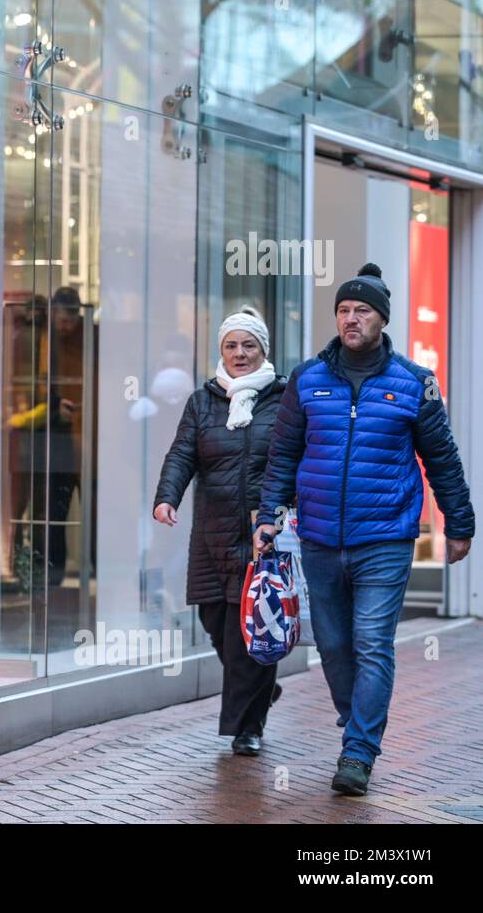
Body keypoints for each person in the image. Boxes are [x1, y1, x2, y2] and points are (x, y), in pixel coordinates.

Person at [254, 262, 474, 796]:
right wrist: (267, 517)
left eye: (362, 311)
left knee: (372, 642)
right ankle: (357, 722)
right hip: (319, 536)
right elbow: (283, 455)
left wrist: (459, 522)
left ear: (382, 319)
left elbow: (441, 459)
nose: (351, 319)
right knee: (332, 645)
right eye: (344, 310)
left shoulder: (414, 383)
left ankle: (358, 751)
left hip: (386, 537)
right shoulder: (308, 379)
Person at [153, 306, 287, 755]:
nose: (240, 353)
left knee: (251, 629)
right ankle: (260, 689)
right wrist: (167, 497)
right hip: (212, 531)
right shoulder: (203, 400)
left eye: (249, 345)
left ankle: (247, 727)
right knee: (214, 618)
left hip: (261, 533)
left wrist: (286, 510)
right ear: (221, 351)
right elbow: (181, 454)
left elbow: (296, 457)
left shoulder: (284, 398)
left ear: (263, 349)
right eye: (231, 346)